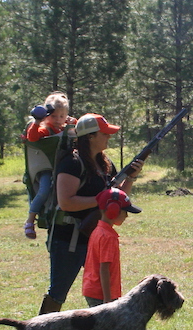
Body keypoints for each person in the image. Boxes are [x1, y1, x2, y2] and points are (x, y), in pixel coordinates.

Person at [39, 113, 143, 316]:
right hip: (67, 236)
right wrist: (100, 199)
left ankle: (104, 328)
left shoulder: (105, 163)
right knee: (58, 292)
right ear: (90, 136)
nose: (109, 137)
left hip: (94, 236)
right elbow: (66, 201)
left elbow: (116, 198)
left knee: (101, 289)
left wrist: (130, 178)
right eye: (104, 133)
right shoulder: (71, 162)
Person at [70, 187, 142, 330]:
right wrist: (109, 300)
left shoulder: (98, 230)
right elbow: (104, 268)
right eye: (125, 211)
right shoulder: (108, 237)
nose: (127, 216)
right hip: (101, 292)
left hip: (92, 288)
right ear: (112, 210)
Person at [23, 92, 73, 240]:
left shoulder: (63, 128)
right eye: (54, 116)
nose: (58, 120)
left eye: (62, 116)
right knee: (44, 190)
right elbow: (32, 137)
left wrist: (71, 122)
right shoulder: (46, 129)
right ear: (46, 115)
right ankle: (30, 220)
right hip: (46, 168)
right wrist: (37, 122)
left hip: (61, 168)